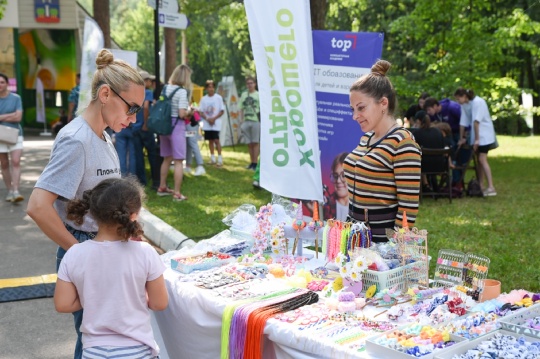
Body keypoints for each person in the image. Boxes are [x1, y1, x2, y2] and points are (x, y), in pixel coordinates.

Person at [27, 49, 145, 359]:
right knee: (96, 342)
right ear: (105, 94)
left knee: (106, 339)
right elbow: (38, 206)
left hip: (104, 245)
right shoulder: (76, 140)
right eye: (131, 109)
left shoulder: (104, 136)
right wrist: (81, 253)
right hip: (87, 246)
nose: (133, 120)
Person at [54, 177, 168, 359]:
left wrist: (94, 299)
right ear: (134, 214)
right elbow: (159, 303)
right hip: (137, 350)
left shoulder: (74, 254)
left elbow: (63, 304)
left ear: (92, 212)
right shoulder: (145, 253)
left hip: (93, 351)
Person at [343, 60, 421, 242]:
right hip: (355, 237)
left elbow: (407, 208)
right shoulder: (366, 138)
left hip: (381, 243)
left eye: (361, 108)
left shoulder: (403, 142)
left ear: (383, 103)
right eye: (353, 109)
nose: (355, 116)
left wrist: (393, 250)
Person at [157, 64, 192, 201]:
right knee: (178, 161)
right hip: (176, 126)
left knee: (166, 158)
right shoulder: (182, 92)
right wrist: (190, 112)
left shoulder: (165, 88)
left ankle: (162, 187)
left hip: (163, 126)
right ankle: (177, 193)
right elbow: (182, 114)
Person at [454, 87, 497, 196]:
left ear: (464, 96)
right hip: (477, 136)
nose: (457, 102)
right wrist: (461, 138)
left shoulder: (478, 102)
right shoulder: (465, 105)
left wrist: (477, 140)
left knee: (482, 159)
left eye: (458, 99)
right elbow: (463, 123)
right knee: (479, 161)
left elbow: (476, 122)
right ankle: (481, 185)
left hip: (484, 135)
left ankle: (491, 187)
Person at [133, 71, 161, 189]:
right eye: (149, 80)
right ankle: (156, 182)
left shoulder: (133, 93)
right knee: (152, 155)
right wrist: (145, 123)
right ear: (144, 81)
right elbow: (145, 107)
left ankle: (141, 182)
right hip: (145, 128)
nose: (150, 82)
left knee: (139, 156)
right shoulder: (147, 92)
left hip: (135, 128)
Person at [0, 72, 24, 203]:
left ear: (7, 84)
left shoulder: (16, 98)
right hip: (0, 135)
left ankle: (16, 190)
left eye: (2, 82)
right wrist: (10, 115)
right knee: (4, 163)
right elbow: (14, 116)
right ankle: (9, 190)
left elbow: (18, 117)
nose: (0, 85)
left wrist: (1, 117)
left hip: (15, 133)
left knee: (15, 161)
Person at [412, 111, 448, 192]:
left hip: (424, 167)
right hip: (440, 166)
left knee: (418, 159)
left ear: (418, 121)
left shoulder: (417, 133)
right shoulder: (438, 132)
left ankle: (425, 185)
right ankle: (428, 185)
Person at [199, 79, 224, 167]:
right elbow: (201, 111)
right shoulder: (203, 99)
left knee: (216, 140)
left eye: (212, 87)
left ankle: (220, 158)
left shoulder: (218, 98)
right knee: (210, 141)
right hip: (207, 123)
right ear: (206, 88)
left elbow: (221, 111)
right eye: (209, 87)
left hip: (216, 123)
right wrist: (208, 118)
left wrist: (214, 118)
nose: (211, 89)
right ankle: (212, 158)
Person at [239, 76, 260, 170]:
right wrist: (241, 120)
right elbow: (241, 108)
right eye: (248, 83)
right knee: (249, 143)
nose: (250, 85)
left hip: (255, 120)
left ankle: (255, 163)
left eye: (251, 83)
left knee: (255, 142)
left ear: (255, 84)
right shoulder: (244, 94)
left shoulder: (258, 95)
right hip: (246, 120)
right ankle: (252, 162)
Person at [323, 152, 350, 221]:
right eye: (335, 176)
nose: (338, 181)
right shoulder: (326, 206)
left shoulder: (360, 208)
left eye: (343, 176)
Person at [184, 105, 206, 176]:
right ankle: (188, 166)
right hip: (189, 123)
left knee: (192, 143)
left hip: (191, 123)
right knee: (189, 144)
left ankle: (200, 166)